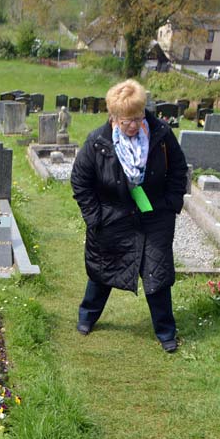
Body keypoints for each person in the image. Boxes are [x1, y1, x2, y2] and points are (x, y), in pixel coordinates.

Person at [70, 79, 188, 353]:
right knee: (102, 269)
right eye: (126, 121)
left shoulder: (160, 134)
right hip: (112, 215)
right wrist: (94, 217)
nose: (133, 125)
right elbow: (80, 181)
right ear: (114, 117)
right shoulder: (98, 142)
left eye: (137, 118)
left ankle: (166, 332)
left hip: (155, 215)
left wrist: (171, 203)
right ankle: (87, 317)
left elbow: (179, 169)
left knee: (157, 274)